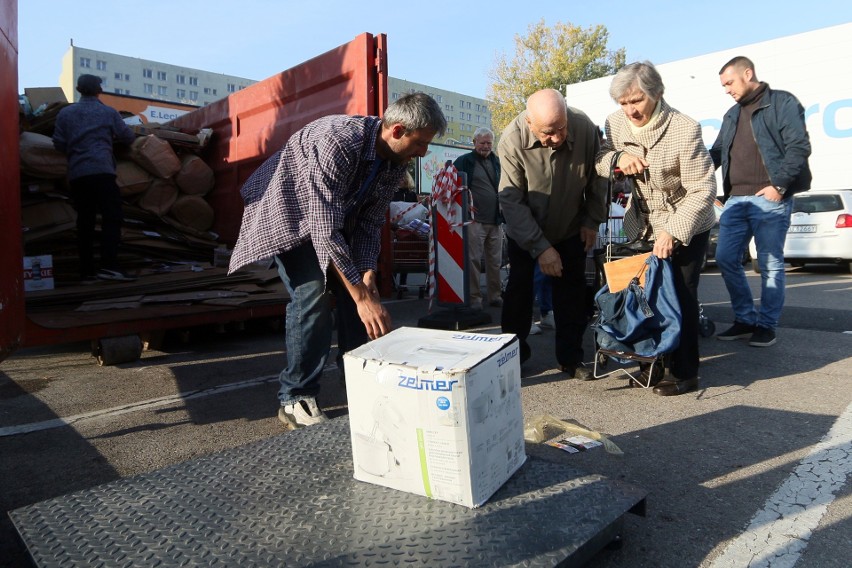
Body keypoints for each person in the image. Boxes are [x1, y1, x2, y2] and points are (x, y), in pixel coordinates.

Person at [228, 93, 446, 429]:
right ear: (398, 130)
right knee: (314, 291)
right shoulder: (336, 141)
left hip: (331, 218)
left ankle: (359, 382)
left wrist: (367, 274)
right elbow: (324, 227)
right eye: (420, 144)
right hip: (288, 212)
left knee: (360, 294)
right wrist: (360, 295)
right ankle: (296, 397)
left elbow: (370, 222)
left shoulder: (395, 160)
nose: (424, 153)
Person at [596, 61, 716, 396]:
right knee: (645, 293)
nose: (630, 110)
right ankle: (652, 359)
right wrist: (618, 159)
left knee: (679, 293)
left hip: (687, 221)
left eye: (637, 101)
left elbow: (703, 189)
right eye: (623, 103)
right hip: (644, 221)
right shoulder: (615, 123)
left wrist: (674, 231)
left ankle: (684, 371)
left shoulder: (685, 128)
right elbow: (601, 157)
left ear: (657, 93)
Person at [498, 88, 608, 380]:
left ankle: (572, 359)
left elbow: (598, 179)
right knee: (519, 294)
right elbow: (511, 201)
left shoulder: (584, 127)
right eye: (549, 132)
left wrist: (592, 220)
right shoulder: (511, 140)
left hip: (571, 226)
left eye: (562, 128)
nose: (558, 138)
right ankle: (512, 357)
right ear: (530, 123)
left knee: (571, 296)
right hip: (527, 231)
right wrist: (540, 248)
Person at [710, 56, 812, 348]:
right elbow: (716, 153)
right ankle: (744, 319)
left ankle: (766, 325)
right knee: (727, 258)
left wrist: (778, 186)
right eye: (723, 85)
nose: (726, 89)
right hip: (735, 201)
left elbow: (799, 146)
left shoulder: (781, 103)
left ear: (748, 73)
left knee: (769, 264)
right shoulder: (731, 115)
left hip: (770, 199)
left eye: (729, 82)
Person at [53, 74, 137, 282]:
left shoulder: (65, 113)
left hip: (78, 175)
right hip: (102, 171)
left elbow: (59, 143)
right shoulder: (108, 112)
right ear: (99, 90)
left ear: (78, 89)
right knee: (112, 217)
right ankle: (108, 266)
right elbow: (127, 137)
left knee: (85, 222)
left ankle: (87, 271)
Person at [453, 127, 503, 310]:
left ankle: (495, 296)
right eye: (482, 142)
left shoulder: (496, 161)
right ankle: (474, 298)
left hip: (495, 220)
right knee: (473, 261)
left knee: (495, 262)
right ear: (474, 143)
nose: (486, 146)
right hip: (474, 220)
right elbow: (452, 183)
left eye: (489, 142)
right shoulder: (464, 161)